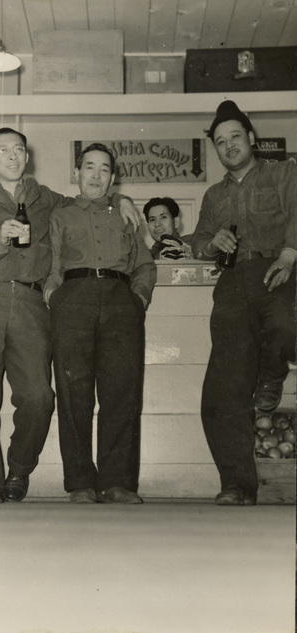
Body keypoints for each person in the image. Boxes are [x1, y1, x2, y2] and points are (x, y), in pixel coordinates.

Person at [0, 128, 139, 504]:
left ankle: (19, 470)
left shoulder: (47, 199)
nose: (12, 156)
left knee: (39, 395)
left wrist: (122, 198)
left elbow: (88, 197)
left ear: (27, 155)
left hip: (30, 301)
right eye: (2, 150)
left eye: (18, 149)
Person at [191, 100, 296, 506]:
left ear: (252, 139)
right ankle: (237, 485)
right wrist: (210, 243)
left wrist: (289, 256)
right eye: (221, 141)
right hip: (233, 285)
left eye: (236, 136)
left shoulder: (283, 172)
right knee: (221, 392)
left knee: (289, 328)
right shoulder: (214, 195)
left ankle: (271, 373)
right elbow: (198, 240)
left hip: (278, 271)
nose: (229, 145)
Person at [43, 143, 157, 504]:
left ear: (113, 176)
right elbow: (51, 266)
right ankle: (79, 483)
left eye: (104, 169)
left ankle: (118, 482)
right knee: (73, 394)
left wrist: (137, 300)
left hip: (121, 303)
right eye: (88, 168)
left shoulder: (125, 215)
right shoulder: (60, 214)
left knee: (122, 393)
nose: (95, 175)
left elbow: (145, 265)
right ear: (77, 174)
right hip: (72, 301)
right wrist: (54, 297)